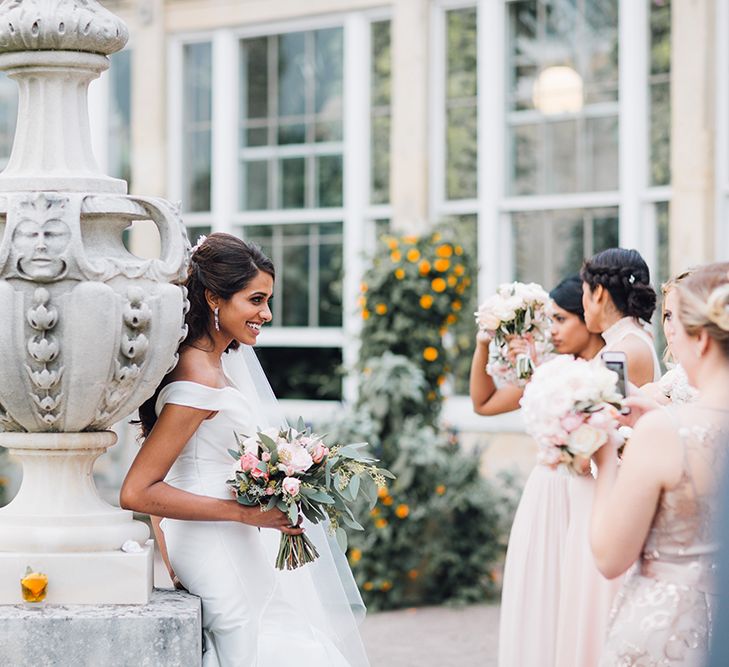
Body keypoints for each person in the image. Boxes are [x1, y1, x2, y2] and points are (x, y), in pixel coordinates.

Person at [120, 233, 368, 667]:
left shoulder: (213, 363)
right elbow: (137, 492)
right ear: (215, 298)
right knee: (250, 645)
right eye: (256, 300)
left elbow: (169, 474)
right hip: (215, 541)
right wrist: (246, 514)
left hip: (223, 535)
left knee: (276, 635)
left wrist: (169, 542)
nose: (265, 314)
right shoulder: (196, 381)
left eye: (267, 301)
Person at [592, 261, 729, 665]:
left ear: (701, 340)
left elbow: (609, 557)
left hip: (670, 630)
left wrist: (605, 452)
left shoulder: (664, 434)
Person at [470, 275, 603, 667]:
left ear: (588, 318)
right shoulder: (552, 370)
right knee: (542, 591)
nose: (553, 331)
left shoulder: (606, 371)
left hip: (587, 492)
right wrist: (483, 344)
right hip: (545, 494)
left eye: (561, 320)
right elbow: (485, 401)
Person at [553, 247, 661, 667]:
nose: (583, 304)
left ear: (598, 294)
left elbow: (602, 435)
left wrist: (564, 443)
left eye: (583, 293)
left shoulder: (623, 350)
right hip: (601, 488)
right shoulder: (629, 341)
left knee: (596, 603)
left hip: (605, 490)